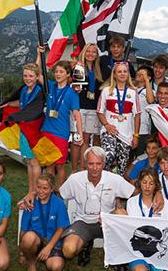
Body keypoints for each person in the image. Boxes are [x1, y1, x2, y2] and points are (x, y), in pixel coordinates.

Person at [59, 147, 137, 271]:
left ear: (104, 164)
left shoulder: (114, 179)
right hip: (83, 222)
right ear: (85, 162)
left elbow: (134, 192)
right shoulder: (75, 179)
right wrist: (35, 195)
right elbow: (60, 195)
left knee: (121, 214)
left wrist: (158, 192)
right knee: (68, 251)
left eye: (98, 164)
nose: (94, 168)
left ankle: (120, 264)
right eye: (91, 164)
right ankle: (85, 243)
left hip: (107, 222)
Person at [123, 167, 168, 271]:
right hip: (139, 250)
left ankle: (155, 269)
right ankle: (139, 269)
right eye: (144, 182)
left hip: (157, 251)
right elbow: (129, 227)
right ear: (139, 183)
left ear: (156, 186)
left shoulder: (164, 204)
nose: (147, 186)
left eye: (151, 183)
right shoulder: (132, 202)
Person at [37, 46, 84, 189]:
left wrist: (80, 134)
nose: (58, 74)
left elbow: (76, 114)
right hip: (47, 131)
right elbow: (38, 74)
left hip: (61, 134)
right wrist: (39, 55)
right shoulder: (51, 86)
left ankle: (60, 191)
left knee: (61, 165)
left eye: (61, 72)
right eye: (56, 71)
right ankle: (50, 191)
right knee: (49, 165)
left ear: (68, 74)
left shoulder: (71, 93)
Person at [19, 173, 69, 271]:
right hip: (36, 240)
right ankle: (32, 264)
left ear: (51, 189)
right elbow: (23, 229)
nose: (41, 191)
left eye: (45, 188)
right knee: (28, 238)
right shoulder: (30, 203)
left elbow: (61, 229)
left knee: (55, 267)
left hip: (53, 243)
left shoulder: (59, 204)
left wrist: (49, 247)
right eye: (38, 187)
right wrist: (22, 252)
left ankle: (46, 256)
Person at [5, 63, 43, 198]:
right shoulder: (23, 90)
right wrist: (9, 104)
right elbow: (21, 104)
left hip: (33, 130)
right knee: (28, 161)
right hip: (23, 129)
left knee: (34, 162)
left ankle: (36, 191)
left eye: (31, 76)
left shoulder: (39, 91)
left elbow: (34, 109)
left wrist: (39, 55)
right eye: (25, 76)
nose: (28, 78)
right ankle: (31, 189)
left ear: (37, 77)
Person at [97, 62, 140, 175]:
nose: (122, 74)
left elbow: (137, 115)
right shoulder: (106, 91)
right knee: (108, 156)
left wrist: (136, 135)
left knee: (121, 167)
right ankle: (104, 182)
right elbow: (99, 111)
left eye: (125, 71)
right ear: (114, 75)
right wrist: (106, 125)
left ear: (128, 75)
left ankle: (116, 190)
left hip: (126, 135)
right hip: (109, 131)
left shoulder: (133, 92)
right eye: (119, 71)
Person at [70, 43, 104, 173]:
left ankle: (83, 169)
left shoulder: (97, 69)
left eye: (93, 52)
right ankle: (74, 170)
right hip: (79, 107)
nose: (90, 54)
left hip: (92, 108)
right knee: (76, 139)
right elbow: (72, 84)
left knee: (86, 140)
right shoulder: (78, 67)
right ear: (84, 52)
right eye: (88, 51)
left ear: (96, 55)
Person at [133, 65, 155, 157]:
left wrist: (146, 81)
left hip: (142, 129)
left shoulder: (149, 91)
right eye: (138, 72)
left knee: (139, 157)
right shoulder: (132, 89)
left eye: (142, 74)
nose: (139, 74)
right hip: (129, 128)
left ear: (149, 77)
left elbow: (150, 100)